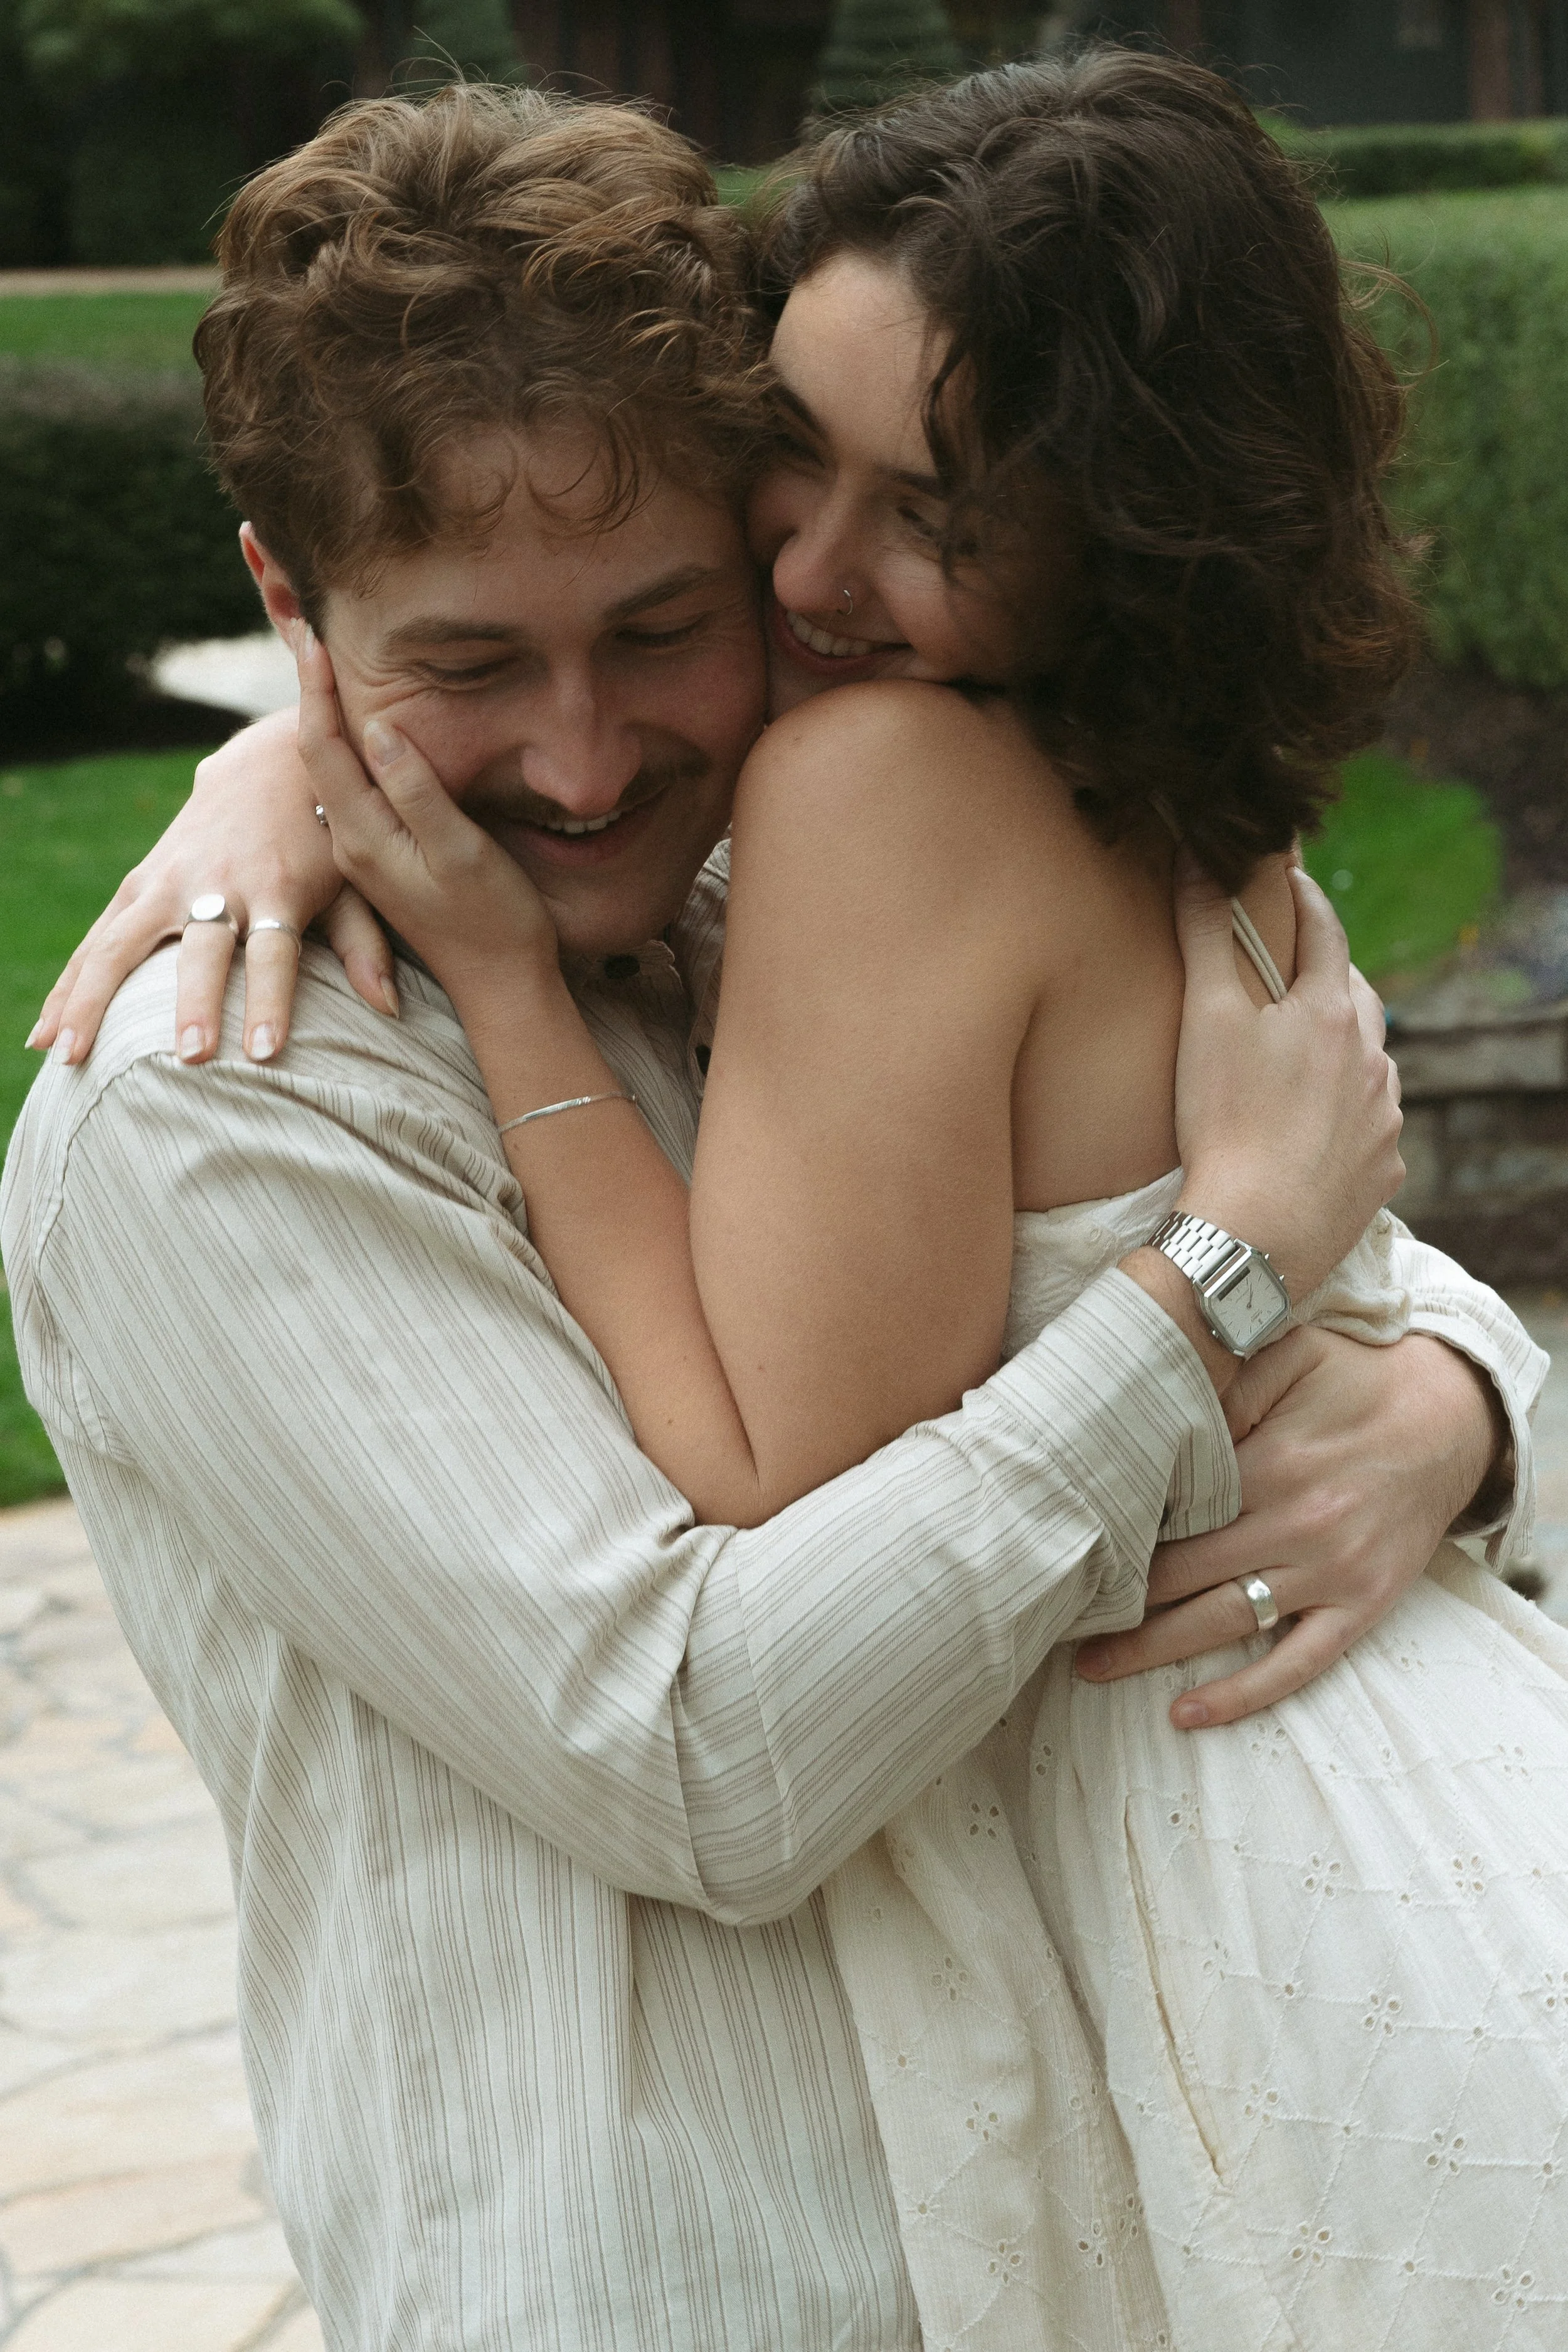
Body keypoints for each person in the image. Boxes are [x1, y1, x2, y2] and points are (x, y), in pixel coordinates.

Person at [3, 70, 1537, 2352]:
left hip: (1123, 2182)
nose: (583, 757)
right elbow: (705, 1749)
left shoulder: (798, 857)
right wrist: (1209, 1283)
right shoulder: (222, 1112)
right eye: (463, 664)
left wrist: (1456, 1410)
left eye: (663, 624)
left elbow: (1359, 1268)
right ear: (287, 611)